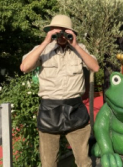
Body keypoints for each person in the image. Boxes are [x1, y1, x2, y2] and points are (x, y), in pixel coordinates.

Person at [20, 14, 99, 167]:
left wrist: (75, 45)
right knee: (48, 163)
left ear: (71, 32)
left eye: (65, 31)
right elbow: (24, 67)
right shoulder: (42, 50)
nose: (61, 35)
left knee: (84, 162)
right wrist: (45, 42)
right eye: (57, 31)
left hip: (75, 109)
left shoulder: (80, 49)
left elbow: (95, 67)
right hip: (50, 110)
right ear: (50, 31)